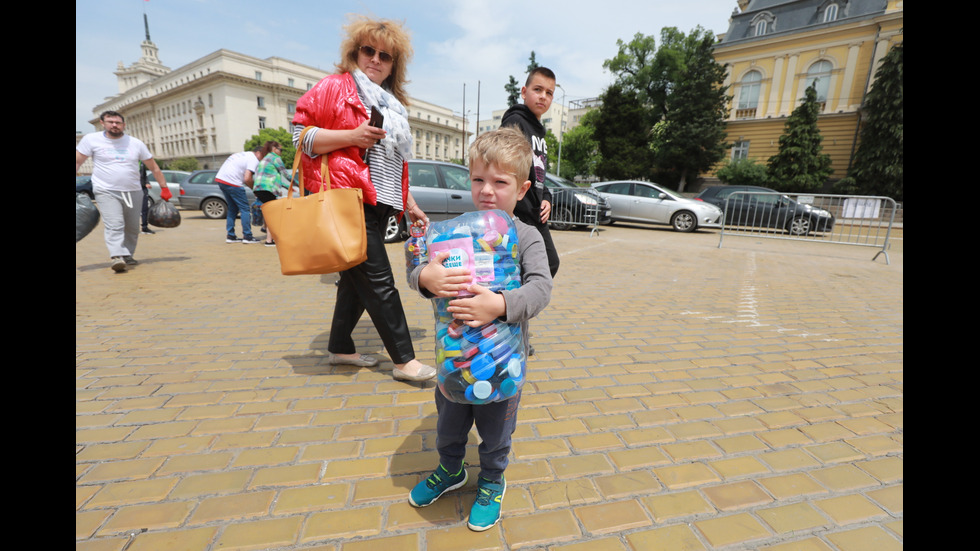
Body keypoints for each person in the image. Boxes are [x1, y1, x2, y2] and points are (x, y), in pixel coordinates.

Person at [407, 126, 553, 531]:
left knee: (496, 430)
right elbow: (418, 268)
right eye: (478, 180)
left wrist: (501, 304)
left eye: (500, 182)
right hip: (454, 359)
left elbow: (541, 288)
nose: (487, 190)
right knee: (449, 423)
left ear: (522, 189)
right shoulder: (454, 232)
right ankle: (451, 469)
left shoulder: (526, 236)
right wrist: (424, 277)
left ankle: (491, 478)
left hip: (503, 365)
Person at [291, 15, 434, 382]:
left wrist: (411, 204)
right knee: (380, 281)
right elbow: (300, 138)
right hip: (345, 200)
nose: (375, 59)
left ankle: (339, 348)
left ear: (393, 65)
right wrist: (350, 136)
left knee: (356, 281)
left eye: (385, 56)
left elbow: (392, 164)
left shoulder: (393, 105)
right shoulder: (335, 87)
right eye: (368, 50)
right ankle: (404, 360)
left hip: (379, 202)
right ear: (355, 52)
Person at [75, 110, 170, 272]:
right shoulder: (92, 140)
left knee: (132, 227)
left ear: (123, 125)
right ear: (102, 123)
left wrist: (164, 188)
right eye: (110, 122)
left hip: (133, 190)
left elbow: (153, 167)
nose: (114, 125)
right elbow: (77, 161)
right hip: (106, 189)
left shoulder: (135, 143)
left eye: (118, 123)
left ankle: (127, 254)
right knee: (115, 224)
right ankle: (117, 256)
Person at [500, 67, 560, 278]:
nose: (543, 96)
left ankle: (514, 306)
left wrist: (546, 198)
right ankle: (510, 305)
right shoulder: (515, 122)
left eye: (549, 93)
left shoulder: (539, 132)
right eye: (538, 89)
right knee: (542, 264)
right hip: (520, 212)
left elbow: (539, 174)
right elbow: (506, 169)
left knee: (549, 263)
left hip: (536, 212)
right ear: (524, 92)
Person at [215, 147, 263, 244]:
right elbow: (247, 178)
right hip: (233, 183)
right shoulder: (253, 159)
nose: (263, 159)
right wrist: (255, 190)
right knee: (245, 209)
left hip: (221, 180)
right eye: (263, 156)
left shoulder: (243, 154)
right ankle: (247, 236)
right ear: (258, 153)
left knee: (232, 208)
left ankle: (230, 236)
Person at [250, 141, 287, 246]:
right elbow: (286, 174)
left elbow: (270, 177)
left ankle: (265, 230)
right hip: (268, 189)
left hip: (258, 189)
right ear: (274, 149)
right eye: (281, 150)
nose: (281, 152)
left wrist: (289, 187)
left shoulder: (264, 159)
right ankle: (269, 240)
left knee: (269, 213)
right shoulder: (275, 158)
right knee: (273, 215)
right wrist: (299, 184)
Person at [139, 161, 155, 235]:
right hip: (132, 189)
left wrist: (147, 183)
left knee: (144, 209)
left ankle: (144, 227)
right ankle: (129, 228)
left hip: (143, 188)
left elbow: (144, 175)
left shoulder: (141, 163)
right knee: (130, 210)